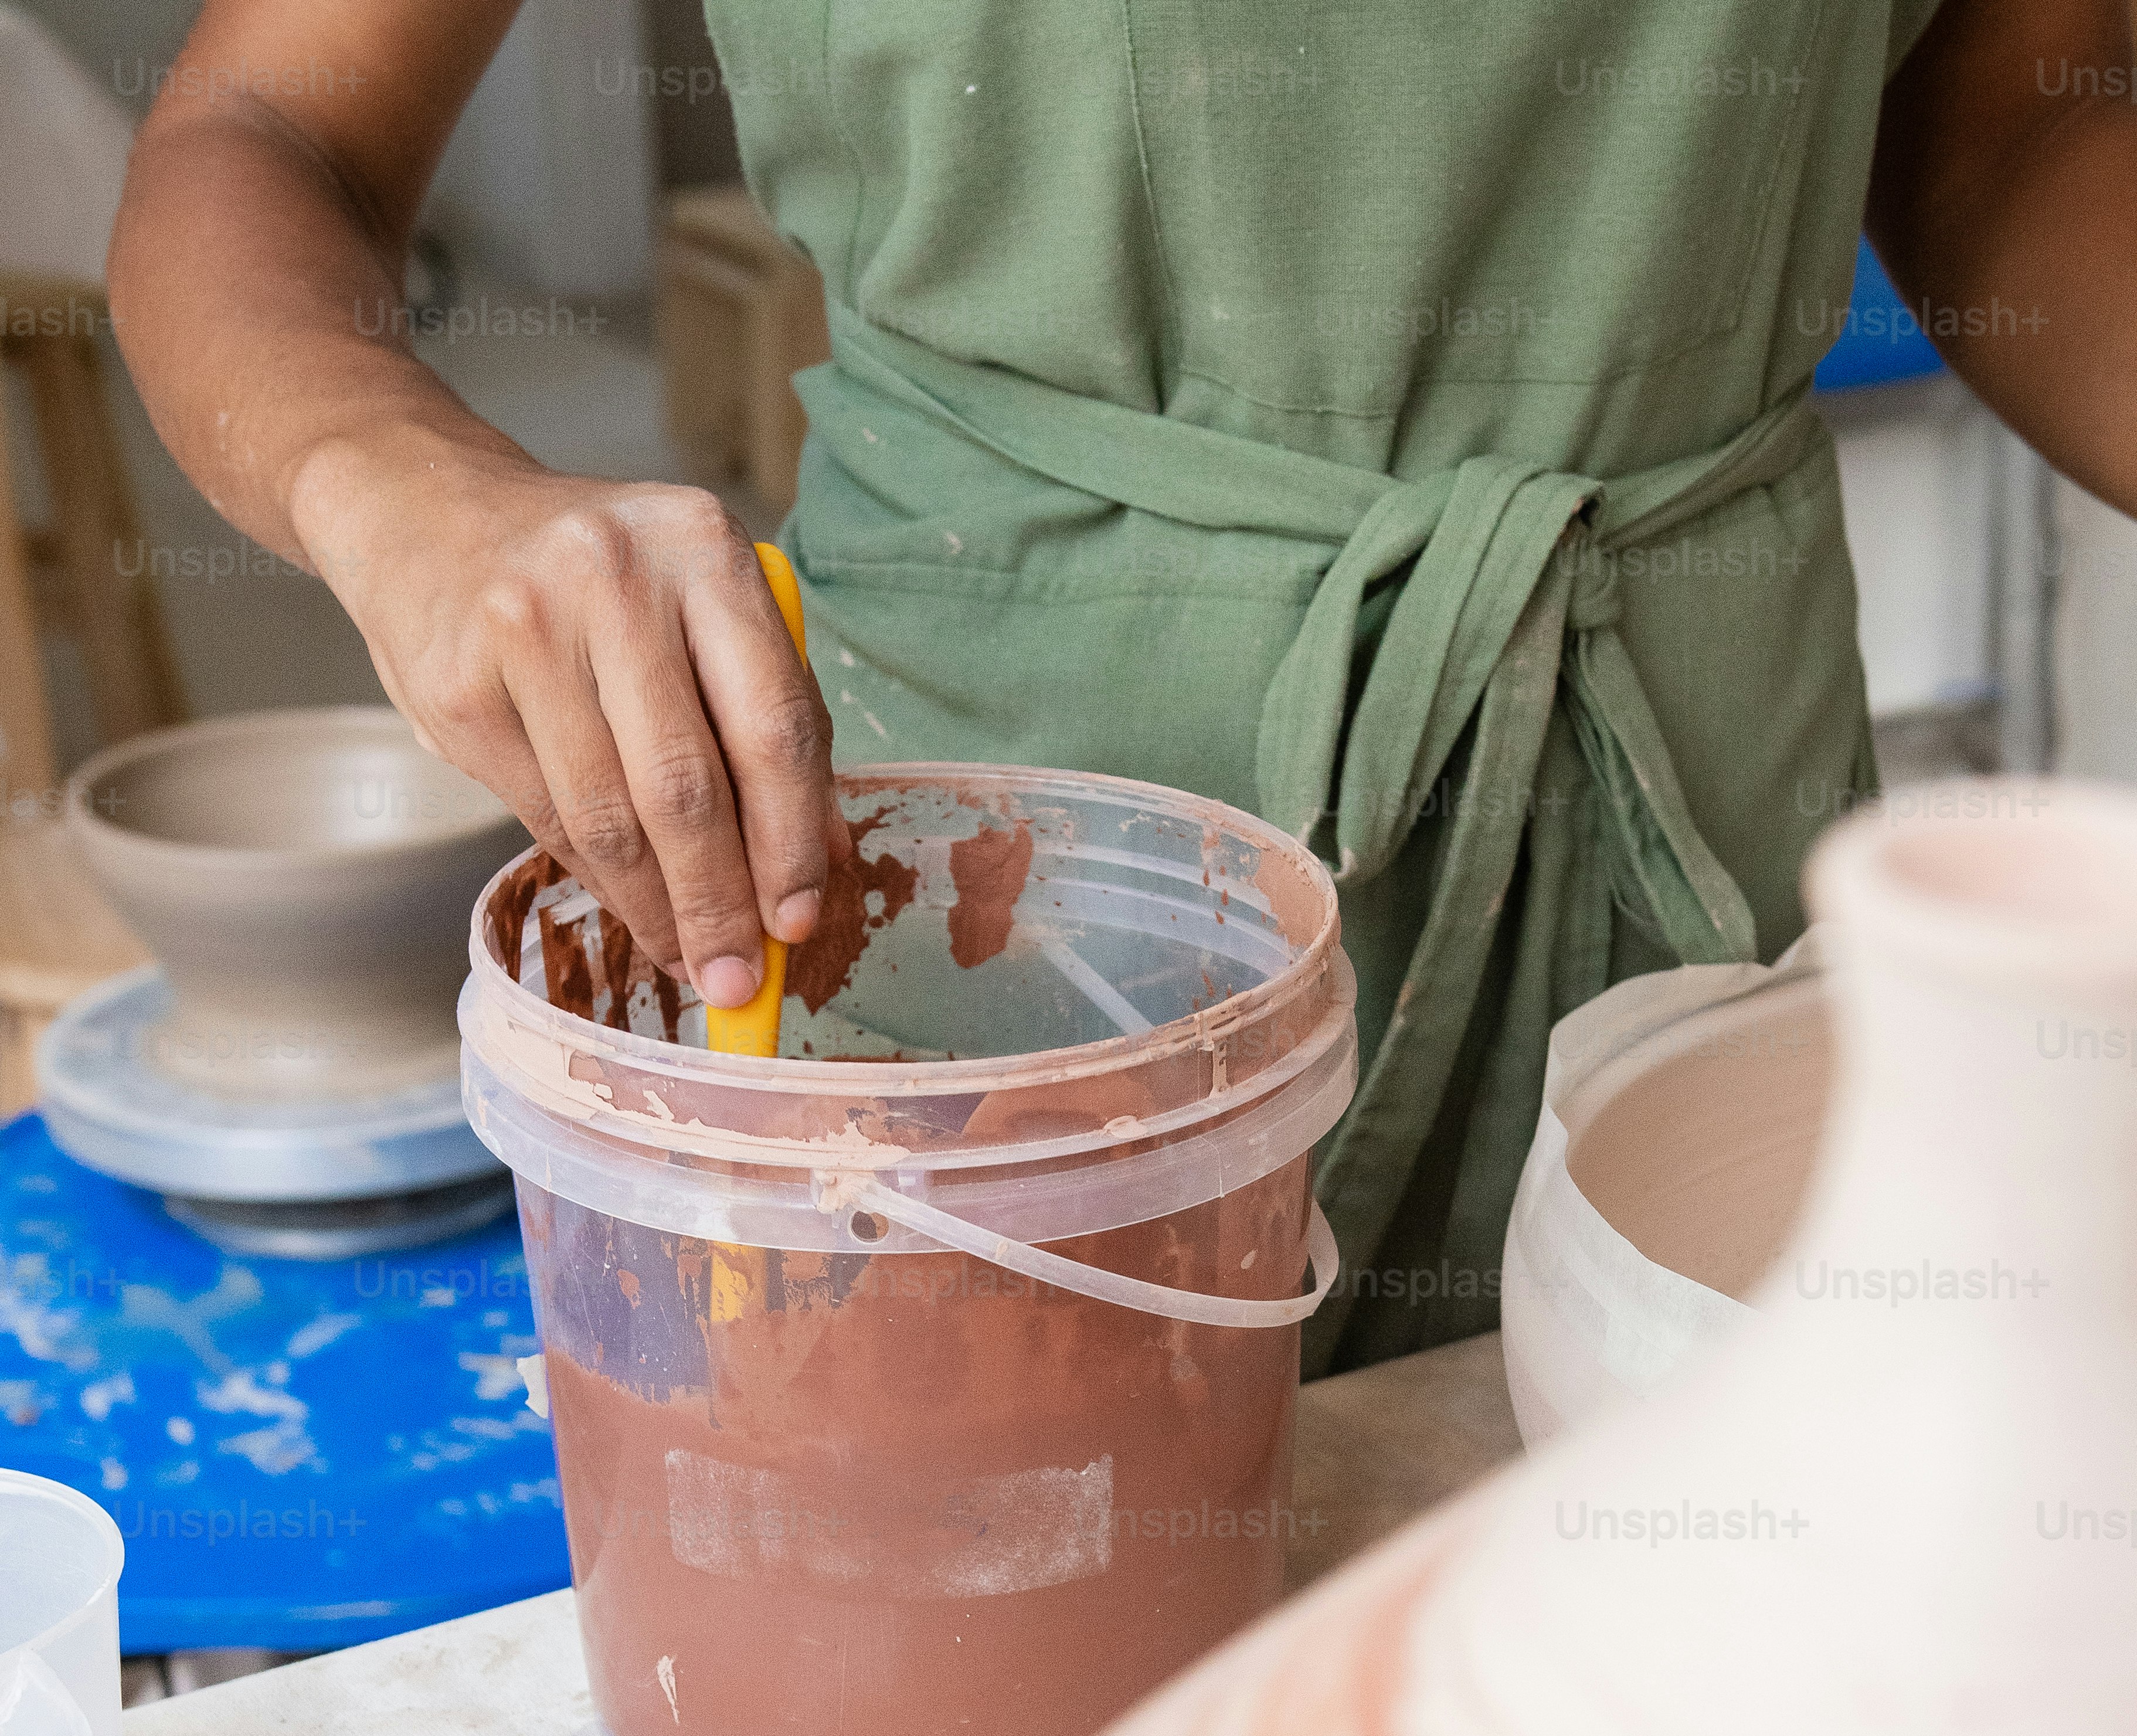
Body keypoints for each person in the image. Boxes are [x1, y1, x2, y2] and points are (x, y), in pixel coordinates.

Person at [109, 2, 2132, 1373]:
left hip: (1689, 851)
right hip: (988, 915)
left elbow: (2002, 106)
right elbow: (268, 128)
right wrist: (402, 488)